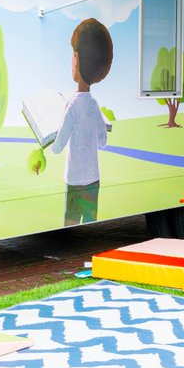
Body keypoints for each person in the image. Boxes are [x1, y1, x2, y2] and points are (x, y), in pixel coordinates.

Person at [50, 18, 113, 226]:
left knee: (71, 222)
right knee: (89, 222)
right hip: (93, 179)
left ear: (76, 59)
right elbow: (103, 142)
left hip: (75, 180)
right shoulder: (94, 106)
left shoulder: (71, 107)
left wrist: (52, 135)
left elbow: (58, 148)